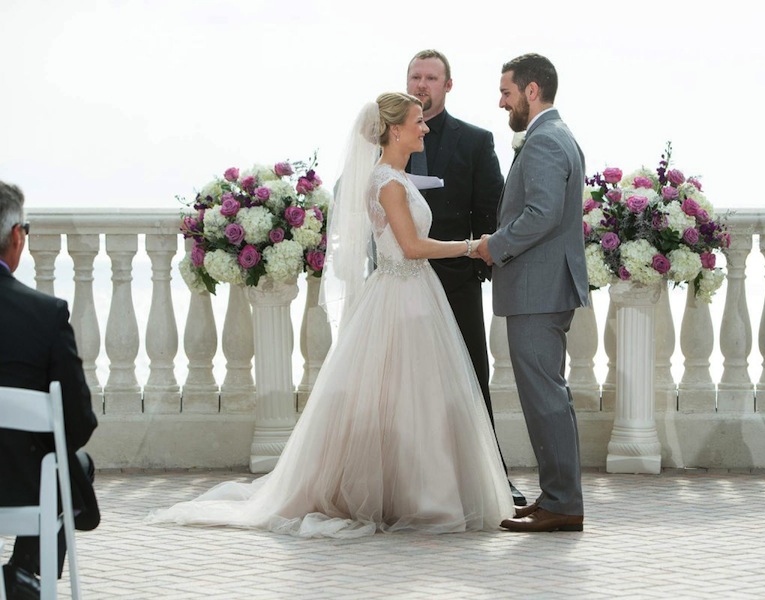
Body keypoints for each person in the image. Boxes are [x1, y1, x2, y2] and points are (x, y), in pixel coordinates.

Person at [148, 93, 512, 537]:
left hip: (414, 293)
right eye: (419, 121)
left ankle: (419, 490)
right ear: (395, 130)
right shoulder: (389, 183)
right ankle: (414, 496)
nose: (426, 128)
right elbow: (412, 248)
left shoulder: (395, 177)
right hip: (402, 293)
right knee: (403, 397)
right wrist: (472, 245)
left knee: (415, 399)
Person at [405, 49, 526, 507]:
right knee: (401, 382)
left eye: (431, 78)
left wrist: (474, 268)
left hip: (456, 282)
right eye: (415, 76)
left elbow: (492, 211)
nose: (421, 84)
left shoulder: (474, 141)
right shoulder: (382, 139)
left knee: (472, 379)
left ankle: (492, 478)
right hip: (399, 283)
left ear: (447, 85)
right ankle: (408, 480)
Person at [475, 54, 590, 532]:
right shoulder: (555, 135)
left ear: (532, 90)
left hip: (538, 290)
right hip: (544, 288)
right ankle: (557, 497)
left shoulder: (544, 140)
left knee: (545, 398)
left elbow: (541, 214)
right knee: (549, 396)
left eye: (506, 92)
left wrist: (493, 247)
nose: (501, 102)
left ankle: (562, 504)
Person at [0, 181, 100, 599]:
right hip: (19, 485)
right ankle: (25, 570)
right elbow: (77, 424)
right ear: (16, 236)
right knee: (73, 462)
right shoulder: (46, 315)